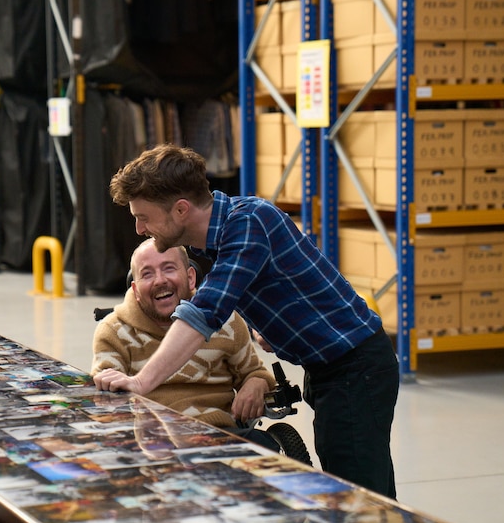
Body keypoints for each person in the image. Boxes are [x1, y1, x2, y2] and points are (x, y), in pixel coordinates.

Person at [93, 143, 399, 499]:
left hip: (354, 367)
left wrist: (142, 381)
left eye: (143, 216)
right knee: (358, 486)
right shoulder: (218, 238)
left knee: (360, 499)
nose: (138, 228)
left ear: (180, 210)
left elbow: (204, 313)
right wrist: (275, 329)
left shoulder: (248, 223)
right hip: (331, 367)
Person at [92, 238, 286, 452]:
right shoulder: (114, 331)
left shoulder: (224, 320)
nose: (159, 280)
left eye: (169, 269)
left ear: (190, 277)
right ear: (136, 291)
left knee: (267, 452)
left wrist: (255, 384)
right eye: (147, 273)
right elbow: (108, 396)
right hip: (152, 441)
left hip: (220, 433)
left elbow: (254, 372)